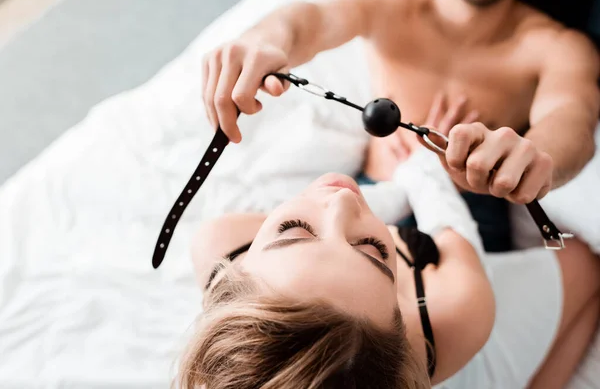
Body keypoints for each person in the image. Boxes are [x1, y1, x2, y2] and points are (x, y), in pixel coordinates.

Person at [201, 0, 600, 252]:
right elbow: (311, 21)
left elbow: (570, 122)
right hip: (369, 198)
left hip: (475, 224)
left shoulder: (559, 47)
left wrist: (534, 160)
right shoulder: (390, 1)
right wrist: (264, 39)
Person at [179, 146, 600, 388]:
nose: (343, 202)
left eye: (294, 229)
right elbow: (452, 231)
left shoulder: (220, 242)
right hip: (467, 333)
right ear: (404, 328)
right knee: (588, 268)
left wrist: (384, 200)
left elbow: (351, 204)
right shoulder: (457, 311)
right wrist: (417, 168)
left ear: (231, 278)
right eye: (372, 250)